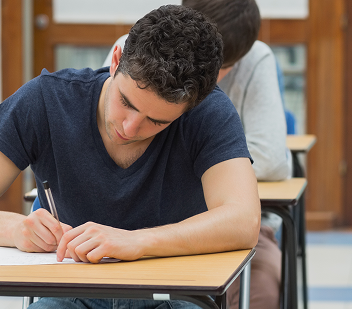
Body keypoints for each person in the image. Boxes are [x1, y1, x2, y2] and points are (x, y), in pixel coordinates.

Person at [0, 5, 261, 308]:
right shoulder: (46, 100)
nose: (130, 128)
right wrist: (12, 228)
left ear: (192, 106)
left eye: (156, 121)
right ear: (115, 61)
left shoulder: (210, 113)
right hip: (70, 292)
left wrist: (138, 242)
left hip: (174, 293)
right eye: (126, 102)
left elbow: (242, 221)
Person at [101, 1, 287, 307]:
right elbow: (108, 140)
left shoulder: (254, 62)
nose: (208, 79)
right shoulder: (137, 50)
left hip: (219, 226)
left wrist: (212, 162)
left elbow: (272, 159)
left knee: (260, 288)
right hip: (124, 223)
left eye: (222, 67)